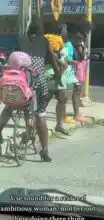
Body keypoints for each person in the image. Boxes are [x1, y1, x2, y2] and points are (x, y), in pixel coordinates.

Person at [0, 22, 59, 162]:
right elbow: (52, 60)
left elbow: (13, 60)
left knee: (11, 105)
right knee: (40, 114)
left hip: (22, 83)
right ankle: (44, 150)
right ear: (40, 32)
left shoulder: (21, 40)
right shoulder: (45, 41)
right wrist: (58, 74)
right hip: (38, 83)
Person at [45, 22, 74, 135]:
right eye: (65, 29)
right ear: (61, 30)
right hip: (52, 71)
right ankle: (35, 126)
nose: (66, 31)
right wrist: (60, 69)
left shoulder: (46, 38)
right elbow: (56, 56)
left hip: (53, 70)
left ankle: (59, 125)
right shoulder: (58, 39)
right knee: (46, 100)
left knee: (62, 99)